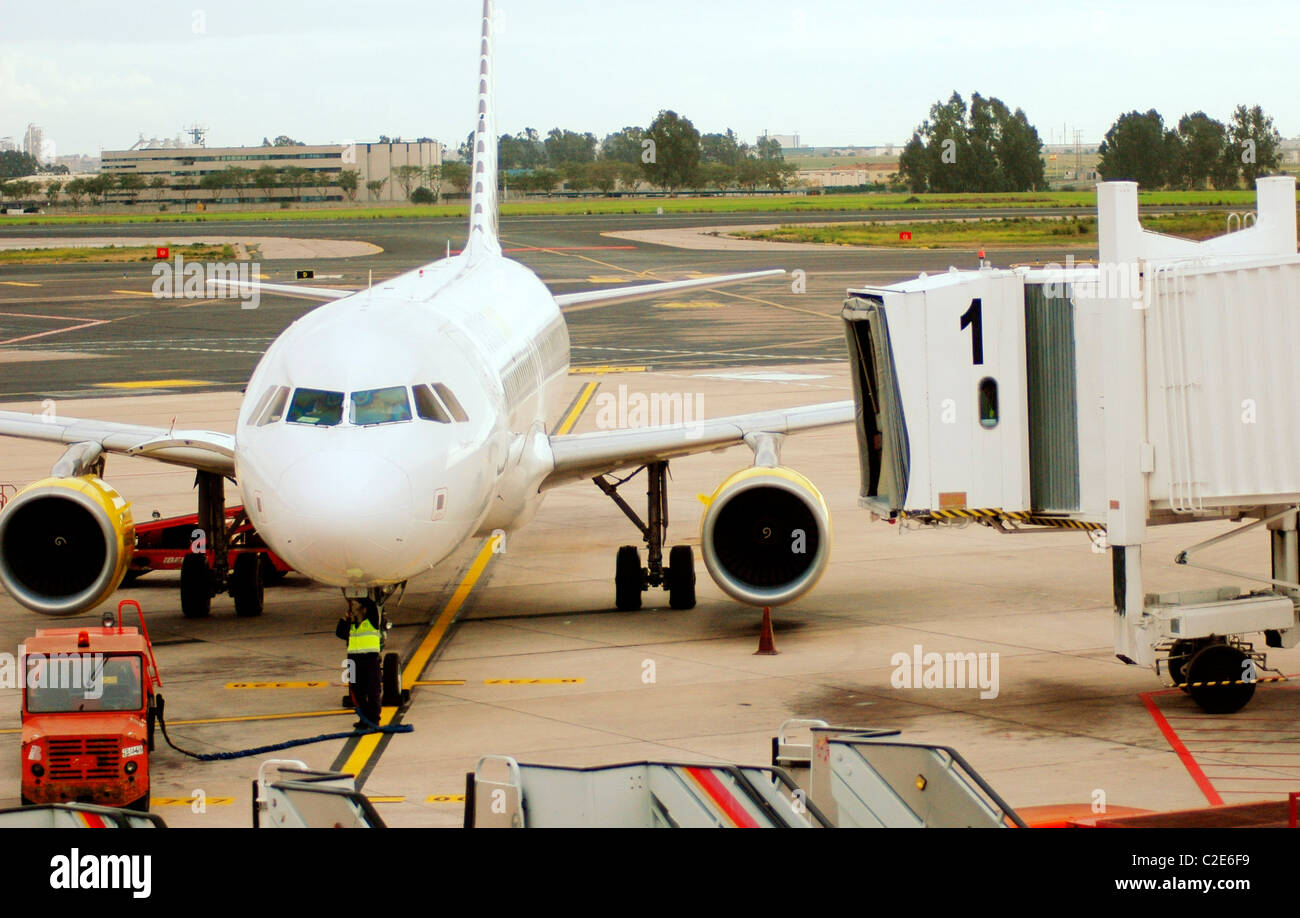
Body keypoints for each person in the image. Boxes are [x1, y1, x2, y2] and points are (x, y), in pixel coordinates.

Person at [336, 599, 382, 729]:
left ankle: (374, 720)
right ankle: (363, 719)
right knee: (357, 693)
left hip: (370, 660)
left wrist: (357, 595)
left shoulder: (371, 621)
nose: (352, 609)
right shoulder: (351, 626)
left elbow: (372, 604)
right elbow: (339, 633)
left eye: (355, 606)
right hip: (353, 661)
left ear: (363, 609)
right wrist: (344, 618)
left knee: (373, 692)